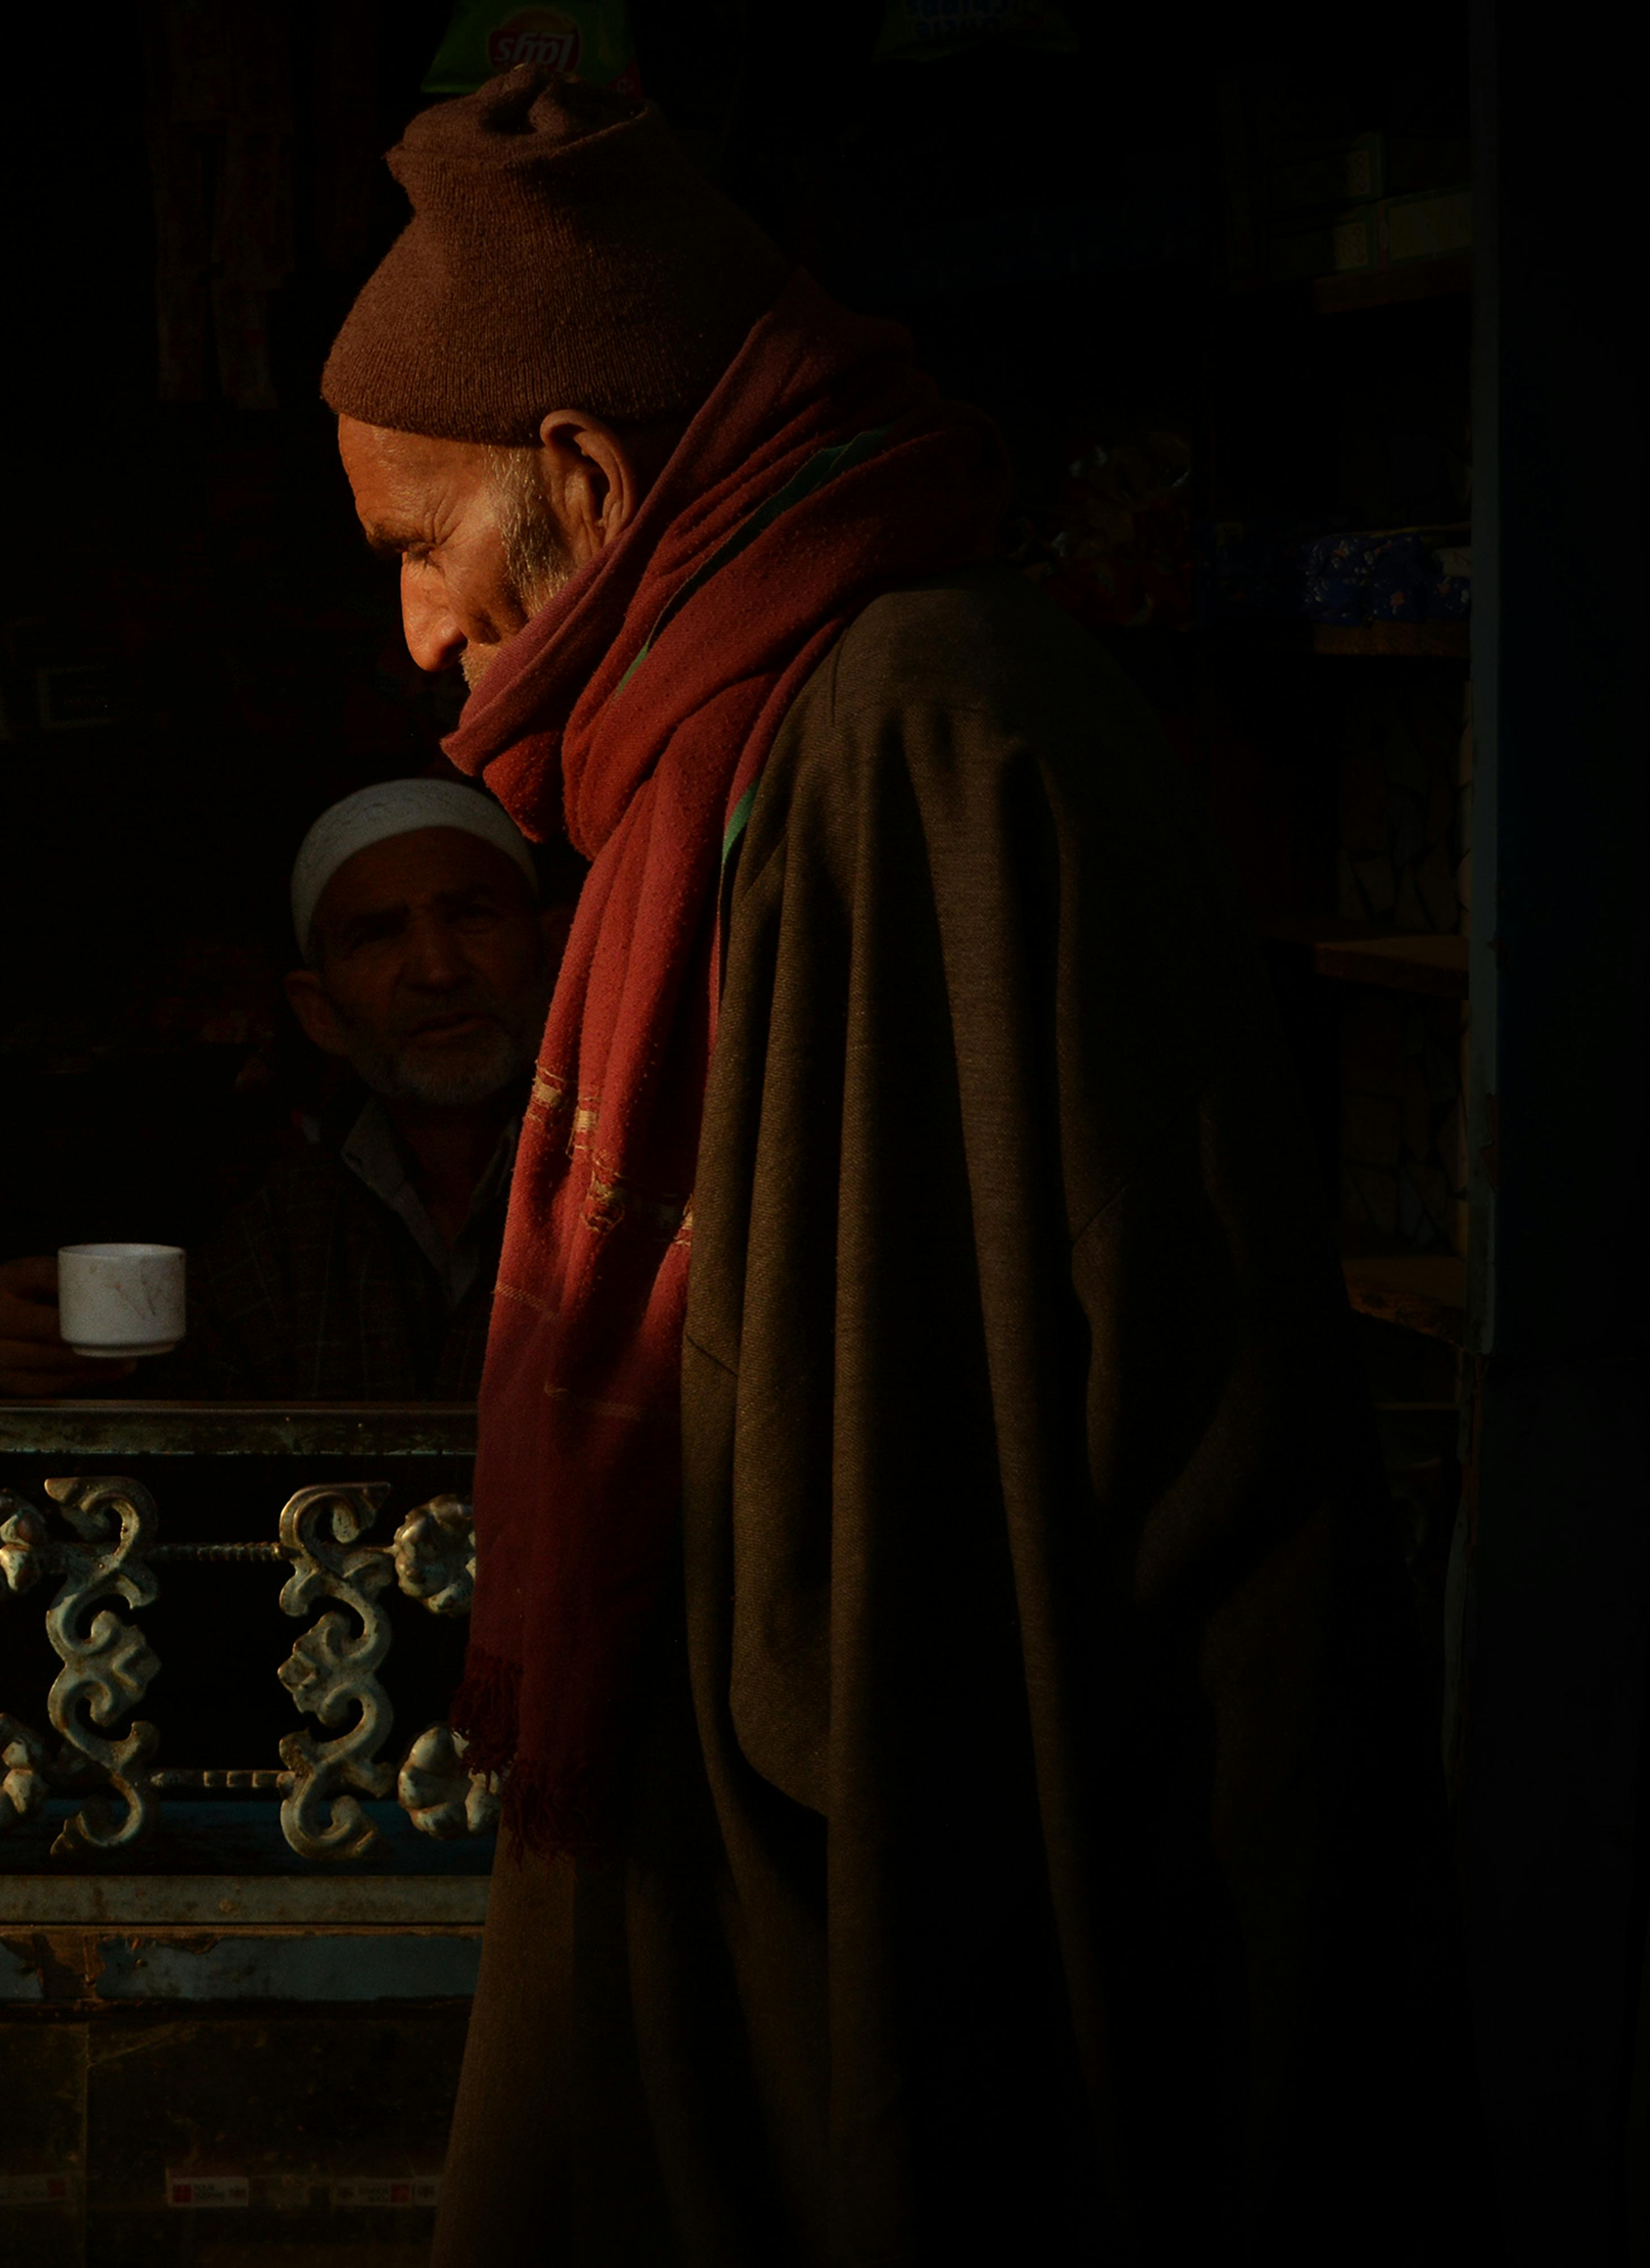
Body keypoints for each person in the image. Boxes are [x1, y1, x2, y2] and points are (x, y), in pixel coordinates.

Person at [317, 67, 1473, 2264]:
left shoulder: (935, 732)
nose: (420, 637)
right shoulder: (721, 747)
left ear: (579, 475)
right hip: (752, 1890)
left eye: (417, 548)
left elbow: (1081, 1485)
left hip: (928, 1908)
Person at [0, 780, 563, 1401]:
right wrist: (44, 1356)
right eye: (378, 935)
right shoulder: (281, 1227)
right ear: (319, 1014)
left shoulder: (641, 1181)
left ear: (553, 955)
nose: (438, 970)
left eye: (473, 916)